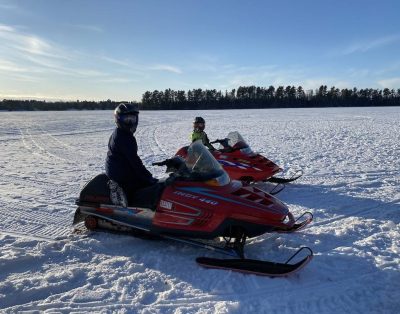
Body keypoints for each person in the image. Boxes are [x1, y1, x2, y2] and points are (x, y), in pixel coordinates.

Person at [105, 103, 159, 207]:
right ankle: (132, 208)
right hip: (119, 173)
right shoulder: (124, 138)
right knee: (149, 189)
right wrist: (148, 178)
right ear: (118, 119)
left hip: (116, 168)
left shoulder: (119, 133)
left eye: (132, 119)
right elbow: (135, 161)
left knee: (143, 182)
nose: (130, 122)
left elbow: (131, 160)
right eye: (127, 119)